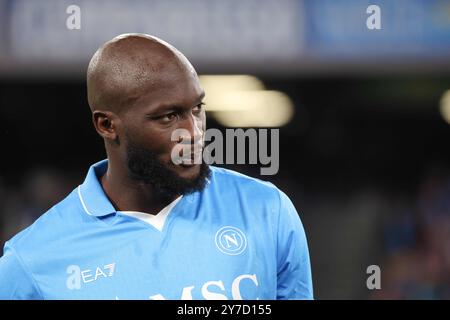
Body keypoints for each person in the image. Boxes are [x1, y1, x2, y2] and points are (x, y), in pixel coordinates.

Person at [0, 34, 313, 300]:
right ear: (107, 125)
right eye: (168, 116)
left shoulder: (266, 210)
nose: (194, 133)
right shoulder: (30, 262)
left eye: (197, 109)